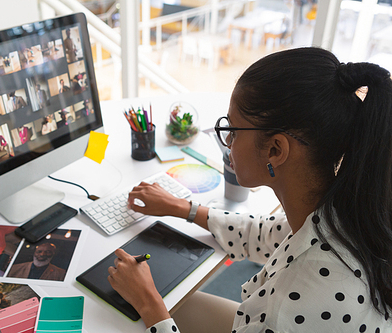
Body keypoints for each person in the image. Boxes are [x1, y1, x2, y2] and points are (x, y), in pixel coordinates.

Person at [107, 47, 392, 333]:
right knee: (177, 303)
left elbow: (282, 309)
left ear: (276, 149)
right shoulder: (343, 208)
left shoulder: (297, 300)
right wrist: (183, 208)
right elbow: (265, 234)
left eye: (233, 129)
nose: (228, 140)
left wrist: (147, 302)